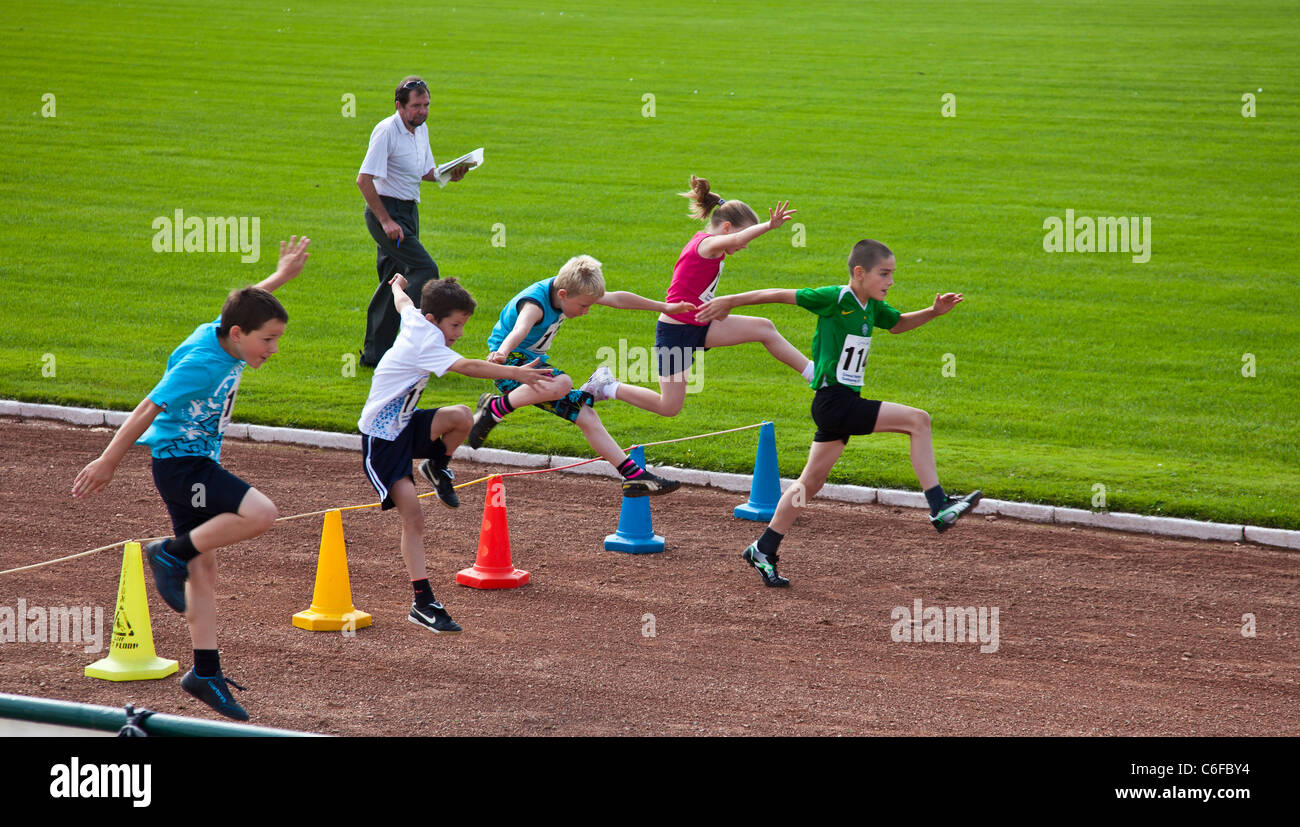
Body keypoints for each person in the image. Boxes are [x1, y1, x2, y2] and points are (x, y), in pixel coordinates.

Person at [72, 237, 313, 720]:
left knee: (204, 568)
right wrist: (107, 460)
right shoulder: (203, 363)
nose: (274, 349)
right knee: (260, 513)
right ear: (241, 334)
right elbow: (148, 406)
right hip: (185, 467)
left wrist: (278, 279)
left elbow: (237, 309)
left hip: (192, 462)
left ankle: (203, 671)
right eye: (268, 340)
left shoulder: (221, 332)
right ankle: (167, 553)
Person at [694, 239, 982, 588]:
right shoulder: (836, 298)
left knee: (809, 484)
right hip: (835, 402)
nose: (890, 282)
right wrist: (730, 300)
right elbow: (780, 294)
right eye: (884, 274)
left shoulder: (872, 306)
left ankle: (763, 548)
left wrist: (933, 312)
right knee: (917, 420)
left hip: (838, 404)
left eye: (893, 274)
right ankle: (938, 505)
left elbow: (898, 324)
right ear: (859, 273)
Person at [359, 274, 552, 633]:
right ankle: (423, 602)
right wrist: (515, 373)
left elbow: (403, 304)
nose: (460, 332)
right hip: (382, 439)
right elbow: (468, 366)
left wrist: (396, 285)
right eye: (456, 324)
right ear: (434, 320)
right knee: (413, 518)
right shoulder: (427, 338)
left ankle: (437, 465)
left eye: (462, 325)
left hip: (405, 423)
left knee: (462, 416)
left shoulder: (418, 318)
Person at [578, 175, 815, 415]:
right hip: (676, 332)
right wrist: (767, 226)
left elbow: (735, 241)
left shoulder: (710, 244)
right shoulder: (707, 245)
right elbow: (738, 239)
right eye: (746, 235)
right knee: (669, 407)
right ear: (726, 228)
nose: (745, 245)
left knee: (764, 328)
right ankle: (607, 385)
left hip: (701, 323)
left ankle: (815, 376)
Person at [467, 255, 692, 497]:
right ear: (563, 294)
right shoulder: (535, 304)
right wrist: (501, 354)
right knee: (563, 383)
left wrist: (665, 307)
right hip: (510, 364)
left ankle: (634, 477)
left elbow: (617, 299)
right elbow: (520, 329)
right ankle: (496, 407)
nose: (586, 312)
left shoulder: (573, 290)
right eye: (583, 306)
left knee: (585, 413)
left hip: (531, 365)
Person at [356, 75, 475, 367]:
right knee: (425, 268)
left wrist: (451, 173)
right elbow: (363, 179)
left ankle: (375, 356)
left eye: (426, 105)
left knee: (391, 281)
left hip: (408, 211)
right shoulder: (386, 131)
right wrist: (385, 221)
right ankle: (417, 333)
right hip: (387, 212)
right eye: (416, 106)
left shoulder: (420, 130)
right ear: (399, 106)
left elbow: (425, 171)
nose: (422, 111)